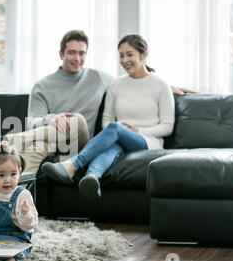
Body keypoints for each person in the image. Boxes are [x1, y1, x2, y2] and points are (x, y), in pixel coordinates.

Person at [0, 30, 194, 174]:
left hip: (82, 143)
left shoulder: (100, 78)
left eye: (82, 53)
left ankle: (3, 139)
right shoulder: (43, 85)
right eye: (71, 52)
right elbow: (32, 121)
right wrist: (52, 118)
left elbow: (135, 81)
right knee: (33, 151)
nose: (77, 58)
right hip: (53, 141)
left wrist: (168, 87)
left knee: (75, 119)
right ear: (61, 53)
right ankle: (22, 203)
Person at [41, 34, 175, 198]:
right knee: (111, 145)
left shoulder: (160, 85)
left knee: (115, 128)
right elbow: (106, 121)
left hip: (148, 141)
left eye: (130, 54)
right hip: (119, 138)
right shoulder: (116, 84)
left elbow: (167, 127)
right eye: (121, 55)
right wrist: (121, 130)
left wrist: (137, 130)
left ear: (144, 54)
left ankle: (73, 164)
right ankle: (91, 178)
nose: (125, 60)